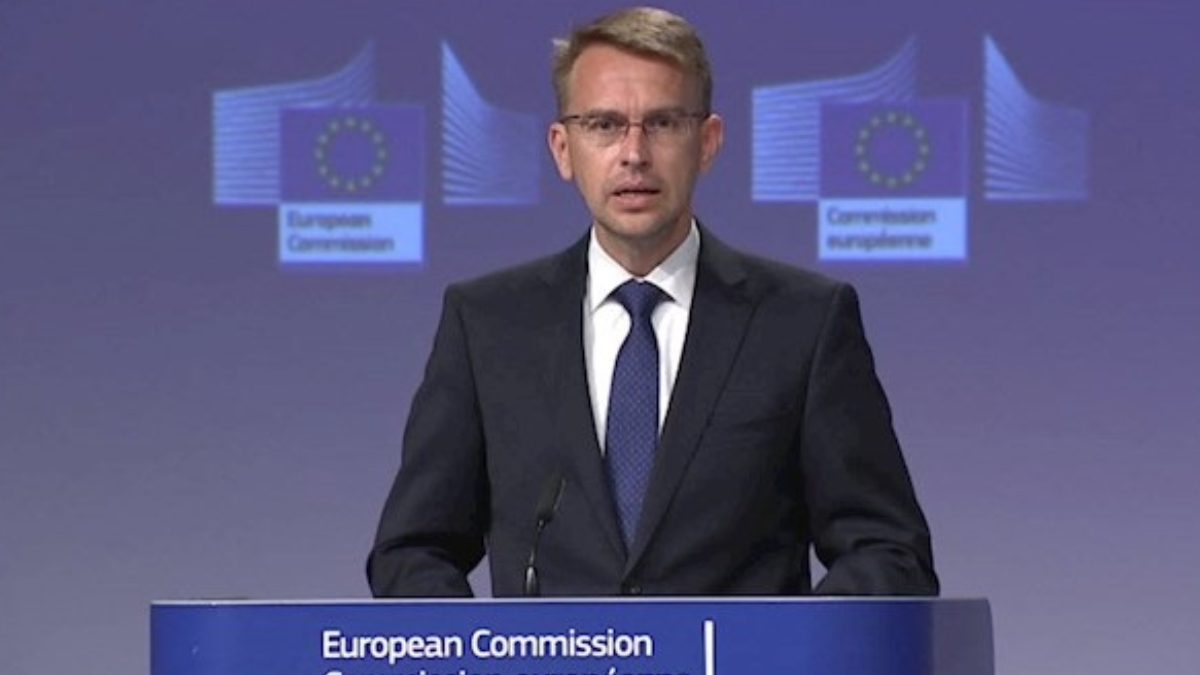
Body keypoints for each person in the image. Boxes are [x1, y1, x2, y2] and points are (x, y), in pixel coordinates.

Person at [367, 6, 937, 597]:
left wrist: (783, 642)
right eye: (604, 124)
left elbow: (887, 551)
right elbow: (412, 551)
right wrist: (484, 645)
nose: (634, 153)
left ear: (707, 142)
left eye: (663, 123)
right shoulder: (487, 325)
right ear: (563, 149)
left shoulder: (803, 322)